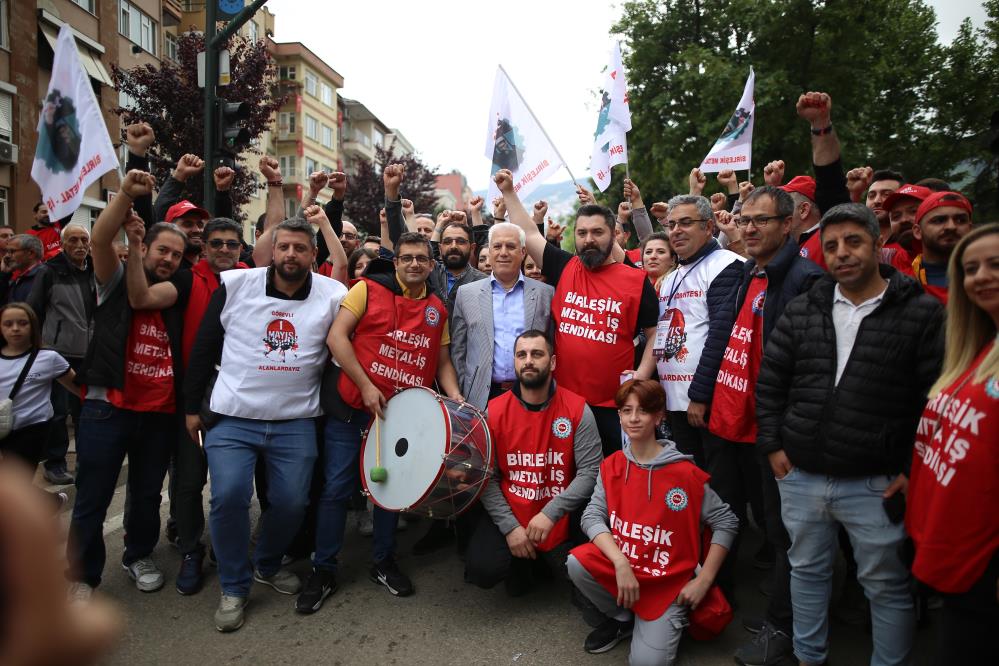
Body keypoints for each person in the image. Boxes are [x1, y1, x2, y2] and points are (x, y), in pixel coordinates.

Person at [756, 202, 944, 666]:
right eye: (832, 245)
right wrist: (774, 446)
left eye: (853, 242)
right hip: (802, 476)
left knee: (885, 586)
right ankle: (808, 657)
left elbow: (932, 400)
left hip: (875, 482)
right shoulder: (805, 308)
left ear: (877, 244)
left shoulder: (919, 313)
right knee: (808, 572)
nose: (842, 254)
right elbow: (772, 381)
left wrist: (908, 470)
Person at [183, 216, 346, 632]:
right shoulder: (237, 285)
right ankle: (234, 587)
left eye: (300, 248)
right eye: (284, 247)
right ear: (272, 250)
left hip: (296, 420)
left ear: (314, 254)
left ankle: (267, 564)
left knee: (292, 503)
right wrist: (190, 407)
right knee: (230, 496)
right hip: (233, 418)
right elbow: (203, 346)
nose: (291, 254)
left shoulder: (332, 294)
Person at [686, 186, 824, 666]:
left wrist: (780, 435)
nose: (748, 228)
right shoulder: (747, 272)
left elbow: (810, 369)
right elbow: (722, 338)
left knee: (782, 533)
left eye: (760, 220)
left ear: (789, 224)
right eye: (744, 220)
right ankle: (715, 601)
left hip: (769, 434)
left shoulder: (806, 280)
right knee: (723, 518)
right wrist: (703, 394)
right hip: (726, 421)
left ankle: (784, 627)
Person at [299, 231, 464, 612]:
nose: (414, 264)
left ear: (431, 263)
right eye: (407, 257)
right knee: (336, 490)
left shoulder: (438, 307)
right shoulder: (365, 290)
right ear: (396, 261)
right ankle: (323, 568)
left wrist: (453, 395)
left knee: (390, 492)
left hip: (399, 418)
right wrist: (366, 385)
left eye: (422, 258)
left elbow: (441, 362)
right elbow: (337, 339)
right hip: (352, 406)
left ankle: (383, 562)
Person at [68, 171, 188, 602]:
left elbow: (153, 298)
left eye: (177, 254)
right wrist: (123, 196)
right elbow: (100, 241)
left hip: (157, 412)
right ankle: (82, 577)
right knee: (93, 496)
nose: (169, 259)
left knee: (145, 494)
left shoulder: (175, 292)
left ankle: (138, 555)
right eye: (162, 250)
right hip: (107, 409)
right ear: (145, 246)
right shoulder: (113, 279)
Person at [567, 379, 737, 664]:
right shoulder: (612, 465)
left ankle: (666, 621)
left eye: (643, 411)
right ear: (618, 415)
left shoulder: (685, 473)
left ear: (659, 416)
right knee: (576, 563)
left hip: (668, 582)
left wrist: (704, 581)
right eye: (626, 410)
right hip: (628, 573)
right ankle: (623, 618)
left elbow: (727, 522)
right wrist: (620, 562)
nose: (633, 418)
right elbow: (592, 515)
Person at [125, 215, 250, 595]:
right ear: (204, 248)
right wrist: (133, 247)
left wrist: (276, 184)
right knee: (190, 480)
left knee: (234, 483)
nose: (225, 250)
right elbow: (141, 298)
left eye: (232, 244)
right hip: (194, 398)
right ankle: (191, 548)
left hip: (241, 398)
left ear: (241, 249)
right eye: (217, 243)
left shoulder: (251, 276)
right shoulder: (186, 278)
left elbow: (279, 233)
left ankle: (233, 547)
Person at [497, 168, 660, 455]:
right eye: (582, 233)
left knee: (612, 476)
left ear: (613, 235)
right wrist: (509, 192)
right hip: (563, 402)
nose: (589, 239)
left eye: (598, 232)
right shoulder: (564, 266)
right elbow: (530, 232)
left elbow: (655, 331)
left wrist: (641, 374)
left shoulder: (636, 280)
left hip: (615, 405)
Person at [906, 223, 999, 666]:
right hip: (953, 549)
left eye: (995, 264)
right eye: (971, 268)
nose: (981, 276)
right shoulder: (974, 352)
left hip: (985, 566)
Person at [465, 330, 601, 594]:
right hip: (514, 508)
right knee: (482, 570)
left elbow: (591, 471)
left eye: (537, 354)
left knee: (588, 568)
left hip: (561, 510)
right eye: (521, 355)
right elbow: (487, 477)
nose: (528, 360)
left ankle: (559, 561)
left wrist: (550, 513)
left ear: (552, 362)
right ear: (514, 362)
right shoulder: (493, 411)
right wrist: (510, 528)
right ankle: (524, 561)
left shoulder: (576, 409)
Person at [655, 195, 744, 466]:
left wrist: (700, 396)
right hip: (676, 402)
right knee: (689, 486)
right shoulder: (672, 275)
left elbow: (720, 336)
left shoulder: (725, 264)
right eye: (671, 225)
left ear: (708, 227)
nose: (676, 231)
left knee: (719, 487)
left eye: (685, 223)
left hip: (705, 403)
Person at [450, 223, 554, 411]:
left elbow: (553, 344)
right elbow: (459, 350)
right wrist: (460, 390)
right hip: (480, 398)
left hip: (532, 393)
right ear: (489, 252)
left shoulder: (545, 294)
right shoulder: (466, 294)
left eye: (511, 246)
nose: (503, 252)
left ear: (522, 252)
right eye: (497, 246)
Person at [26, 224, 93, 486]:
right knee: (57, 412)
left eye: (84, 240)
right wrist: (40, 346)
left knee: (86, 410)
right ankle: (55, 464)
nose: (79, 245)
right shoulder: (49, 271)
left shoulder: (96, 271)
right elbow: (33, 311)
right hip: (58, 354)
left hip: (89, 353)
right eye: (73, 240)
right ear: (63, 244)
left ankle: (86, 462)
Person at [0, 303, 78, 473]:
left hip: (31, 430)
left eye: (22, 323)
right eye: (8, 324)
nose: (15, 329)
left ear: (33, 326)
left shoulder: (49, 358)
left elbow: (79, 388)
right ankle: (51, 499)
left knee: (15, 483)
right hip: (1, 427)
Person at [911, 191, 974, 304]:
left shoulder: (989, 276)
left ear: (970, 229)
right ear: (918, 231)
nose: (951, 227)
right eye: (939, 220)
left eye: (961, 220)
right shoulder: (900, 281)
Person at [428, 216, 486, 316]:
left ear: (472, 247)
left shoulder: (484, 283)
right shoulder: (428, 276)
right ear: (440, 248)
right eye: (447, 242)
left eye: (461, 241)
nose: (453, 246)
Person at [1, 235, 45, 304]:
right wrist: (4, 274)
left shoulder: (44, 277)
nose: (7, 256)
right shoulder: (18, 279)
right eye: (7, 252)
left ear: (31, 253)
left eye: (12, 251)